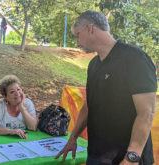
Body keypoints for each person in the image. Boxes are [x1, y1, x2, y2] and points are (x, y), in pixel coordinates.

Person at [55, 10, 157, 165]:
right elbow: (89, 105)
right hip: (97, 155)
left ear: (90, 28)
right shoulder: (93, 65)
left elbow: (146, 113)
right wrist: (73, 137)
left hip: (127, 158)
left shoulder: (135, 58)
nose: (77, 42)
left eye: (77, 35)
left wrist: (132, 157)